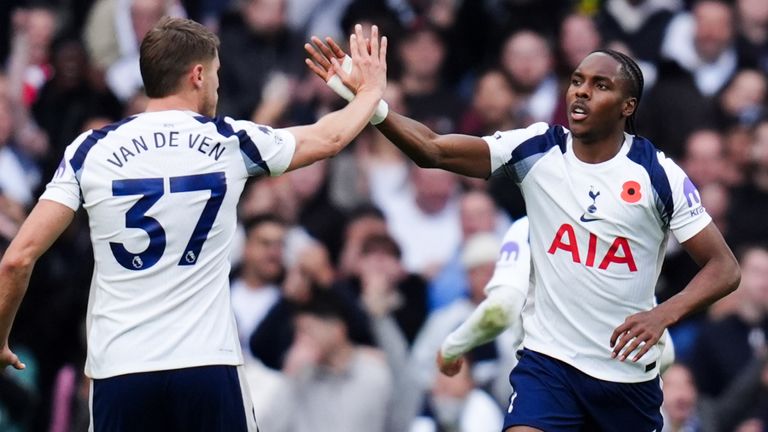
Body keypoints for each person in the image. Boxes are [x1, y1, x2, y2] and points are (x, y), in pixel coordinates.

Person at [306, 39, 739, 431]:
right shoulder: (537, 149)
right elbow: (432, 149)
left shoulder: (657, 174)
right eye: (577, 81)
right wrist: (372, 104)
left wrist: (663, 314)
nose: (582, 91)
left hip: (625, 380)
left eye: (600, 85)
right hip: (549, 366)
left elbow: (724, 268)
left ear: (628, 106)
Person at [0, 17, 387, 432]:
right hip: (207, 365)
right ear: (198, 75)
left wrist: (0, 337)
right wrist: (370, 92)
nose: (218, 86)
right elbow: (328, 138)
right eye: (217, 73)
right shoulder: (229, 141)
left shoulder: (89, 150)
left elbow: (17, 259)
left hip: (121, 369)